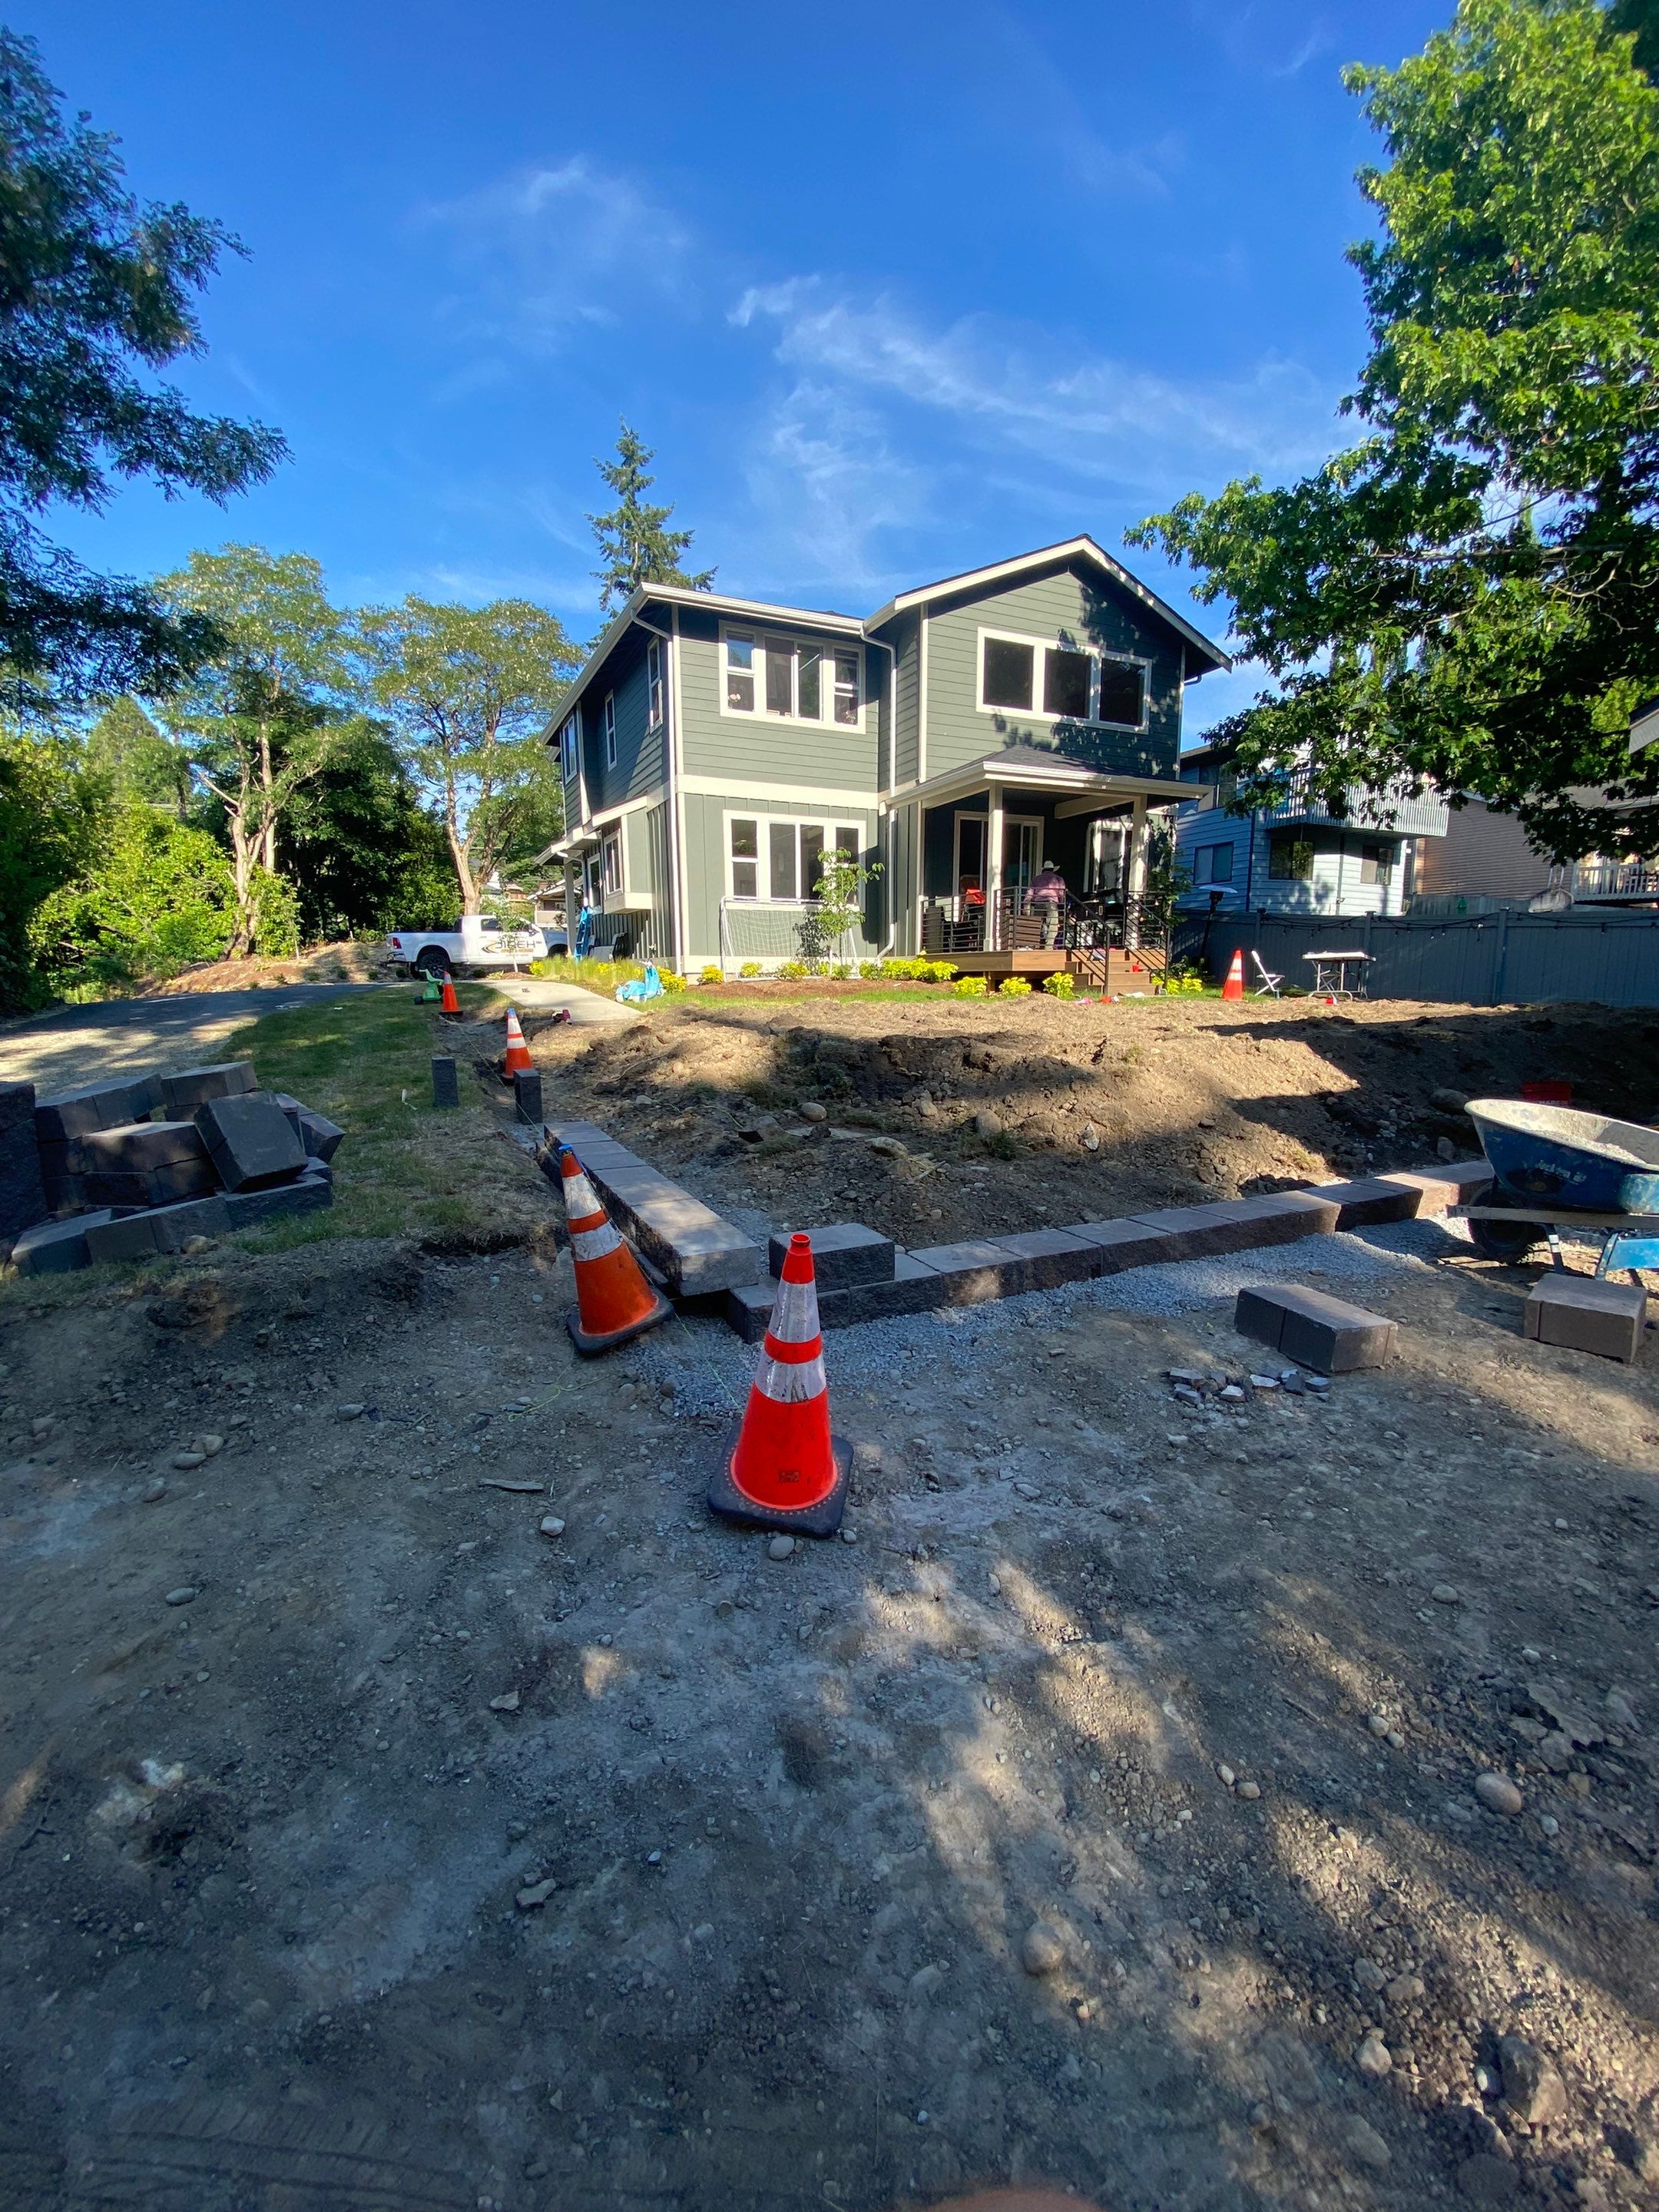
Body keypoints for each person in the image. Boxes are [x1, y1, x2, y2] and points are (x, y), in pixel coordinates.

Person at [1028, 859, 1067, 949]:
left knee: (1036, 925)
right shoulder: (1058, 879)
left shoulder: (1036, 879)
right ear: (1053, 870)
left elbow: (1030, 893)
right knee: (1052, 926)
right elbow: (1061, 893)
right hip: (1051, 903)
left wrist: (1026, 904)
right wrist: (1060, 902)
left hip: (1038, 903)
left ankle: (1035, 946)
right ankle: (1048, 947)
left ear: (1043, 870)